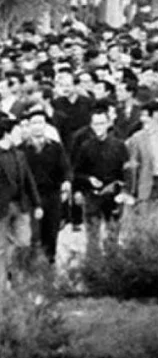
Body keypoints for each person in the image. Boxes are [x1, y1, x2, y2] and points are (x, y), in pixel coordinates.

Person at [72, 105, 128, 258]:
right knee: (92, 235)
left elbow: (126, 171)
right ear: (91, 126)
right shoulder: (85, 146)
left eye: (102, 123)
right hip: (92, 195)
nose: (99, 127)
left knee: (113, 233)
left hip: (113, 195)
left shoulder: (119, 146)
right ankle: (93, 264)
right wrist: (88, 180)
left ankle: (112, 263)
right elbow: (77, 172)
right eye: (96, 124)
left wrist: (123, 190)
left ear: (108, 124)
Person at [19, 108, 71, 264]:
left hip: (52, 195)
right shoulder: (22, 150)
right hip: (31, 198)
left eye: (40, 123)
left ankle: (49, 264)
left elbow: (65, 169)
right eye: (33, 123)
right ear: (29, 126)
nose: (37, 126)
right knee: (33, 235)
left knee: (51, 232)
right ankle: (31, 267)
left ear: (45, 126)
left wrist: (67, 181)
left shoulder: (55, 147)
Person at [0, 115, 41, 290]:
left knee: (24, 243)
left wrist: (37, 204)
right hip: (1, 208)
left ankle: (18, 282)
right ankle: (2, 288)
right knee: (1, 248)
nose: (22, 133)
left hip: (21, 205)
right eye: (17, 130)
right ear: (7, 134)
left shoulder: (20, 155)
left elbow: (29, 180)